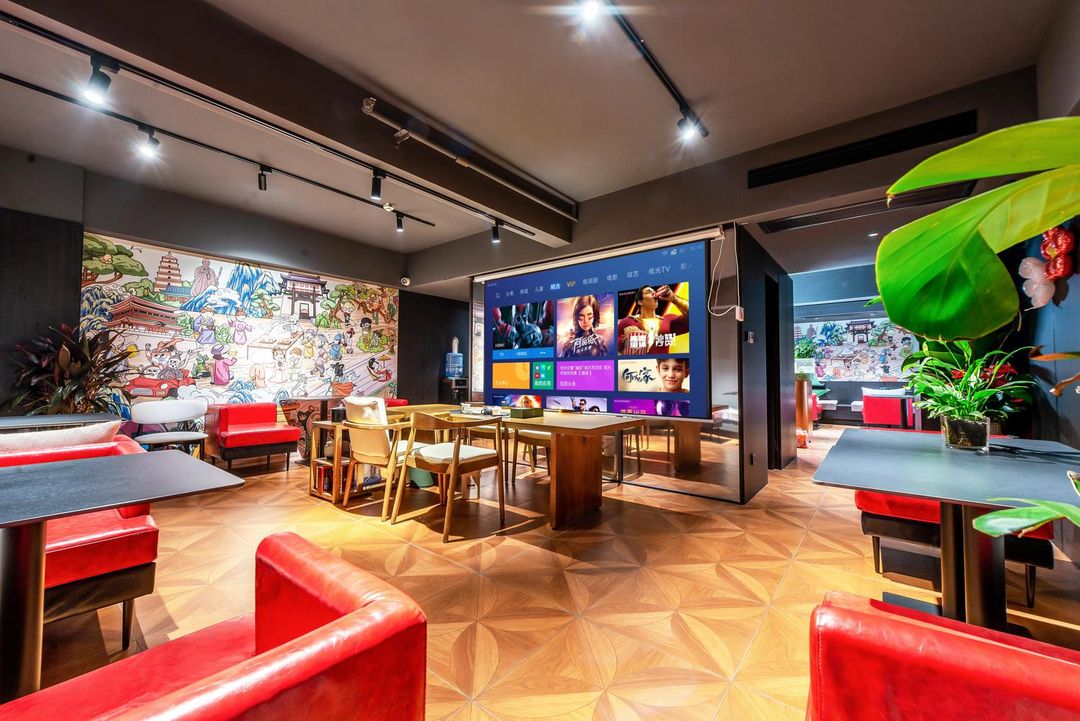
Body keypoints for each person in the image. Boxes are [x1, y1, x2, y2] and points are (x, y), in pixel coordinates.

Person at [617, 285, 689, 355]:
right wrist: (625, 340)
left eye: (654, 291)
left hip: (660, 362)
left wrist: (674, 298)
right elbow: (616, 348)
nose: (654, 293)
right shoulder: (627, 321)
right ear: (640, 302)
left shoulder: (668, 320)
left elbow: (693, 318)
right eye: (648, 292)